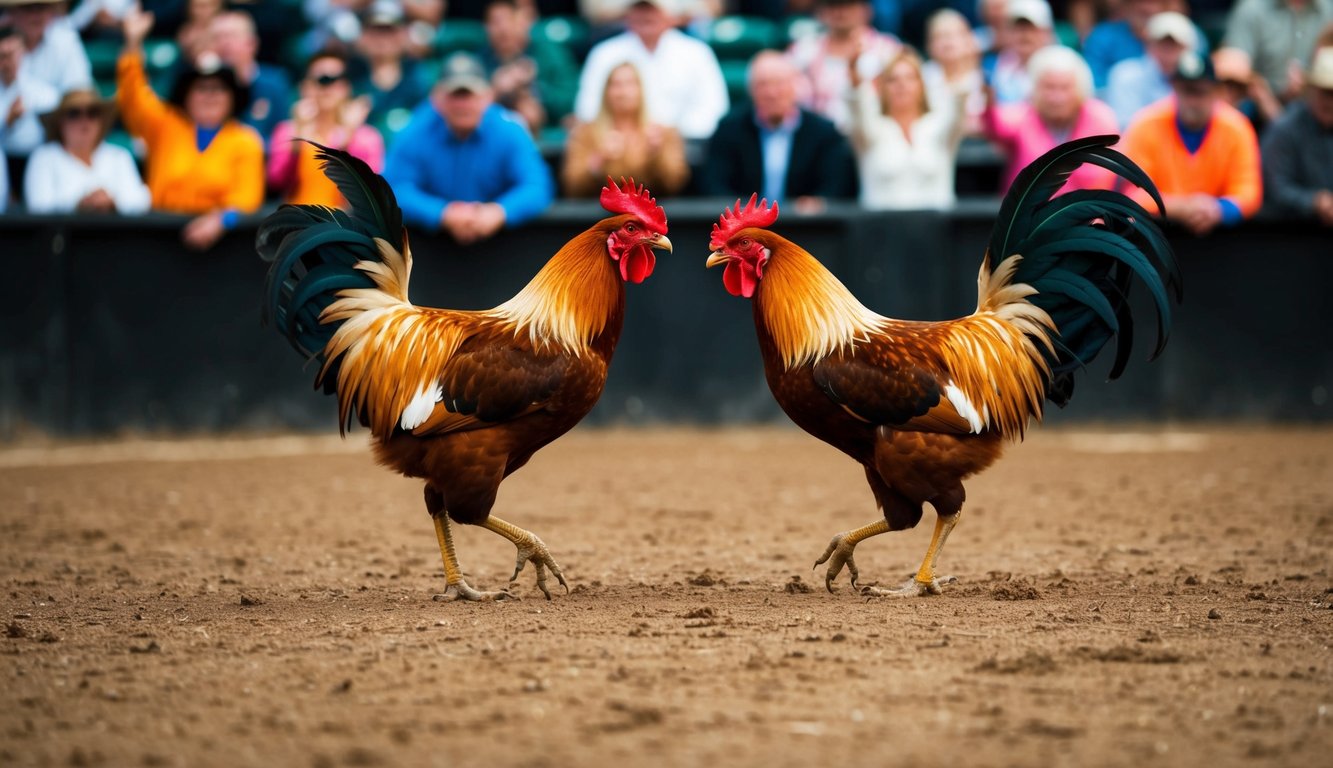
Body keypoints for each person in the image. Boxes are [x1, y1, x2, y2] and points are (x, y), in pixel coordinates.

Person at [116, 5, 264, 250]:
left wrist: (219, 220)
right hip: (158, 241)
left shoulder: (245, 140)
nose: (210, 96)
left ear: (232, 98)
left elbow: (247, 199)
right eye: (201, 88)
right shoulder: (165, 126)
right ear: (186, 95)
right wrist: (133, 43)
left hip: (220, 249)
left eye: (218, 89)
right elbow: (133, 97)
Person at [382, 51, 554, 243]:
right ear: (437, 98)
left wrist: (499, 212)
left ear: (488, 96)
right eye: (455, 94)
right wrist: (442, 213)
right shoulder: (415, 130)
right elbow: (394, 190)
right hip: (428, 253)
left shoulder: (509, 130)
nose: (463, 104)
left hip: (500, 250)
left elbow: (537, 186)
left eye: (470, 94)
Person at [1122, 50, 1263, 235]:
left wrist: (1219, 209)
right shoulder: (1146, 124)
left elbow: (1249, 192)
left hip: (1220, 240)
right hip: (1159, 238)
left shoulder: (1237, 127)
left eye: (1200, 92)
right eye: (1186, 91)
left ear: (1216, 92)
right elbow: (1133, 194)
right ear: (1174, 88)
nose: (1192, 101)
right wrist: (1181, 207)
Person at [701, 51, 858, 211]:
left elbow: (835, 185)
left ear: (795, 86)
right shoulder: (729, 129)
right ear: (750, 90)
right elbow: (715, 184)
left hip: (804, 228)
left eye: (779, 84)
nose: (771, 93)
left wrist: (817, 203)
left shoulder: (823, 131)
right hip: (746, 228)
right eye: (763, 85)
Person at [574, 0, 729, 141]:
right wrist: (628, 133)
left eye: (653, 10)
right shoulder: (604, 53)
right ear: (627, 15)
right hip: (619, 148)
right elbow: (588, 109)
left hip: (684, 147)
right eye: (639, 9)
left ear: (671, 16)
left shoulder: (697, 53)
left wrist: (669, 134)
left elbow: (713, 109)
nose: (645, 16)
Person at [982, 44, 1120, 192]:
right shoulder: (1024, 116)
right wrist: (988, 100)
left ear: (1081, 89)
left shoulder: (1100, 118)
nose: (1057, 97)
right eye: (1049, 87)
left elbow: (1105, 176)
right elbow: (997, 126)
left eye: (1065, 87)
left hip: (1090, 211)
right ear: (1034, 88)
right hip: (1029, 212)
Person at [847, 48, 967, 209]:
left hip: (935, 230)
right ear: (881, 87)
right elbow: (857, 110)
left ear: (922, 85)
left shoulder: (939, 126)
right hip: (880, 229)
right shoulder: (870, 129)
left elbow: (957, 112)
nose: (902, 85)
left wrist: (954, 69)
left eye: (910, 78)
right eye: (892, 79)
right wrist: (855, 79)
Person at [268, 52, 384, 208]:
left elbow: (368, 191)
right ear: (304, 87)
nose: (327, 87)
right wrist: (296, 146)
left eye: (334, 79)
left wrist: (347, 140)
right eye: (320, 80)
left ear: (346, 87)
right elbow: (277, 182)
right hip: (298, 223)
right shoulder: (288, 131)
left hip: (348, 224)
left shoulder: (366, 137)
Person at [561, 61, 689, 197]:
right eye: (616, 85)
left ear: (641, 89)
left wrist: (656, 155)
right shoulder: (584, 134)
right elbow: (572, 187)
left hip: (650, 214)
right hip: (601, 214)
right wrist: (599, 159)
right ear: (606, 91)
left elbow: (675, 184)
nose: (623, 92)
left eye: (630, 84)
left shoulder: (663, 133)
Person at [24, 87, 149, 213]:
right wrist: (78, 204)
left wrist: (113, 201)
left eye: (93, 113)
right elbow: (38, 206)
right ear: (60, 122)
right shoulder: (43, 158)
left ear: (101, 121)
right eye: (74, 113)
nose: (84, 120)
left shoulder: (119, 156)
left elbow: (140, 200)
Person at [785, 0, 901, 133]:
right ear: (822, 11)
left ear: (866, 10)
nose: (840, 12)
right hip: (820, 139)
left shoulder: (888, 49)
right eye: (833, 6)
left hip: (873, 134)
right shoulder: (804, 50)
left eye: (848, 6)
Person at [479, 0, 579, 135]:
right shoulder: (479, 61)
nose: (503, 29)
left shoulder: (548, 53)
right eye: (496, 22)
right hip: (492, 131)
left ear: (522, 21)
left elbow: (569, 99)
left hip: (546, 128)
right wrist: (497, 89)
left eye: (509, 20)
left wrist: (536, 90)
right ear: (486, 27)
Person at [1260, 46, 1333, 225]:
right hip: (1290, 236)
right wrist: (1315, 201)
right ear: (1310, 91)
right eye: (1326, 92)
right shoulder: (1284, 128)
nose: (1330, 101)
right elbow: (1276, 188)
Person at [204, 10, 292, 143]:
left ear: (252, 43)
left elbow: (284, 137)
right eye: (217, 37)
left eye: (231, 36)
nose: (224, 43)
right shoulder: (202, 86)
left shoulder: (275, 83)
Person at [1223, 0, 1333, 106]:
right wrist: (1265, 97)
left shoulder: (1328, 10)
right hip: (1260, 109)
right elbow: (1233, 69)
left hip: (1318, 105)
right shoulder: (1252, 9)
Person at [1104, 10, 1197, 127]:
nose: (1168, 49)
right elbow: (1125, 126)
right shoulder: (1125, 75)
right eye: (1162, 43)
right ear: (1148, 44)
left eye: (1174, 44)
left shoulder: (1198, 81)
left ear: (1188, 48)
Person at [353, 0, 432, 132]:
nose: (382, 39)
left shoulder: (418, 77)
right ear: (363, 36)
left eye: (389, 31)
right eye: (375, 31)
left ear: (404, 34)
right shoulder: (351, 78)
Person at [0, 26, 59, 198]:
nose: (7, 62)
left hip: (37, 164)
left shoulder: (44, 94)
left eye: (12, 54)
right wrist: (7, 120)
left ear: (24, 53)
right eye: (2, 56)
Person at [2, 0, 92, 94]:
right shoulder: (3, 44)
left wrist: (16, 83)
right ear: (11, 12)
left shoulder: (66, 41)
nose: (36, 14)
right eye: (28, 8)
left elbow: (78, 91)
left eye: (42, 7)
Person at [921, 7, 985, 137]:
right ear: (929, 45)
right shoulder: (922, 76)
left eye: (953, 35)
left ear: (968, 40)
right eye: (940, 37)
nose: (947, 42)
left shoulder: (985, 78)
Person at [1081, 0, 1164, 90]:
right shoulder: (1103, 36)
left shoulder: (1175, 39)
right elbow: (1093, 81)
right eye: (1141, 2)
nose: (1146, 8)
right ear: (1128, 6)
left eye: (1154, 2)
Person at [983, 0, 1054, 105]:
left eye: (1031, 28)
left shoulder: (1060, 68)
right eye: (1018, 28)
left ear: (1046, 32)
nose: (1024, 35)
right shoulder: (996, 67)